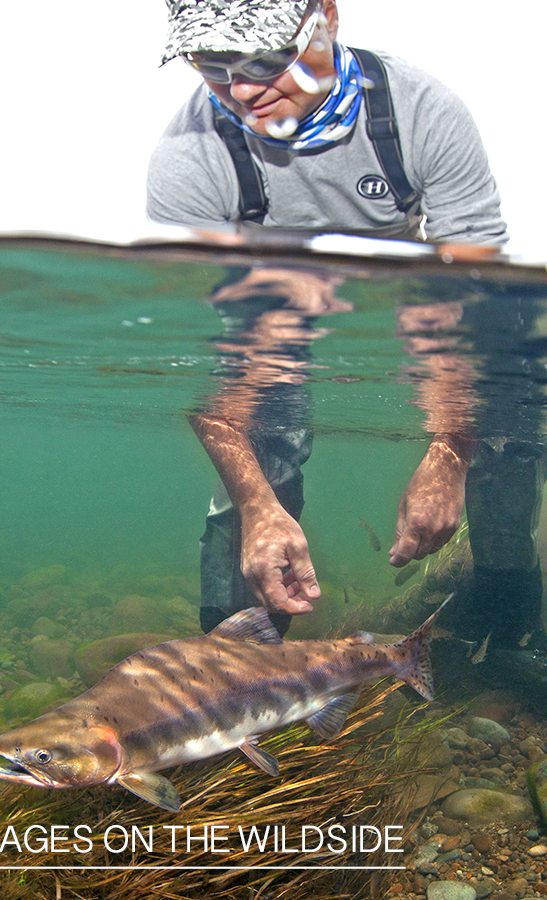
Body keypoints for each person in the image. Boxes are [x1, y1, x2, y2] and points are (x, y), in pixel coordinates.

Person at [147, 0, 546, 661]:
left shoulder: (424, 115)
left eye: (267, 57)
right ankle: (228, 668)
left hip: (439, 293)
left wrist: (448, 455)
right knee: (264, 448)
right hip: (276, 307)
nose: (242, 89)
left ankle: (509, 639)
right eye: (212, 64)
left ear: (326, 18)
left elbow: (472, 303)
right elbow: (204, 367)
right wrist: (257, 505)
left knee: (506, 435)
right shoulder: (188, 160)